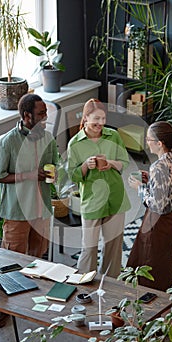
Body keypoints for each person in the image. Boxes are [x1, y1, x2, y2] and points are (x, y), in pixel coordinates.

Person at [67, 98, 131, 278]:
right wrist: (86, 165)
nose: (101, 123)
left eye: (103, 119)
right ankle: (83, 284)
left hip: (115, 198)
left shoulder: (113, 136)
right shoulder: (75, 143)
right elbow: (73, 175)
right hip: (92, 201)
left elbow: (124, 163)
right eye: (96, 119)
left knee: (113, 247)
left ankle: (110, 288)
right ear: (86, 118)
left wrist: (110, 163)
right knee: (89, 247)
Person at [0, 93, 59, 258]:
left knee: (38, 259)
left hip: (41, 211)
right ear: (27, 116)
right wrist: (29, 175)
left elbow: (55, 164)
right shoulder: (7, 142)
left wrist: (55, 173)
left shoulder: (48, 138)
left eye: (45, 112)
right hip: (17, 212)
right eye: (41, 113)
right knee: (12, 260)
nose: (46, 117)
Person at [127, 121, 172, 291]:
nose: (147, 143)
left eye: (149, 139)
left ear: (159, 143)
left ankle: (149, 307)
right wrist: (151, 182)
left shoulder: (159, 167)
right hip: (170, 220)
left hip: (156, 222)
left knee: (149, 264)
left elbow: (157, 205)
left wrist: (140, 188)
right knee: (163, 265)